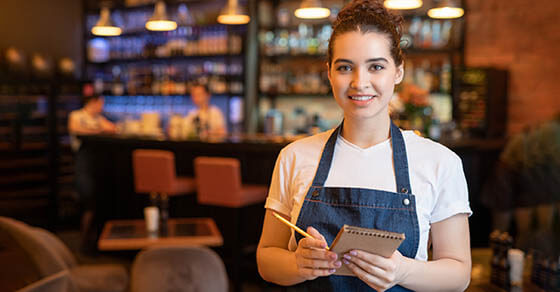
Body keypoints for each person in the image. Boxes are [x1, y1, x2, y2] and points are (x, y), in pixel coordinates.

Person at [256, 1, 472, 291]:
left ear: (398, 72)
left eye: (376, 67)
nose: (360, 82)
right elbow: (266, 258)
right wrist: (297, 265)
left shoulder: (440, 162)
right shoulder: (293, 157)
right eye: (345, 67)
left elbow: (459, 275)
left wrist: (402, 271)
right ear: (329, 73)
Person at [68, 94, 116, 250]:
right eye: (100, 103)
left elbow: (113, 128)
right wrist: (99, 130)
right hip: (83, 163)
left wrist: (99, 128)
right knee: (87, 197)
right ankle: (84, 239)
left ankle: (93, 239)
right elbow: (76, 129)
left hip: (98, 163)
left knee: (97, 198)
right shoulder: (77, 115)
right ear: (93, 103)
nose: (102, 106)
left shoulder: (99, 118)